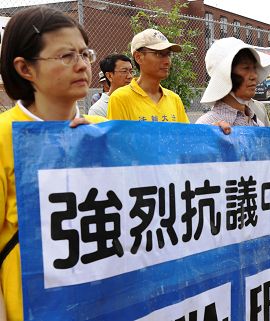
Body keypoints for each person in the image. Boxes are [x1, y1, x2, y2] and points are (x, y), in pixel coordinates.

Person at [0, 6, 107, 321]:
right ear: (25, 68)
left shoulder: (102, 134)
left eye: (85, 54)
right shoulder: (5, 136)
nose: (82, 66)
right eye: (66, 56)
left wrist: (215, 145)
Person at [106, 28, 189, 123]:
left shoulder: (174, 99)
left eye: (168, 54)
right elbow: (118, 137)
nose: (167, 61)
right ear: (138, 57)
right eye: (159, 54)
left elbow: (184, 136)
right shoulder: (120, 99)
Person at [197, 37, 270, 127]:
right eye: (246, 68)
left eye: (254, 68)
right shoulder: (207, 125)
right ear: (226, 75)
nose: (254, 76)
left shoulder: (256, 123)